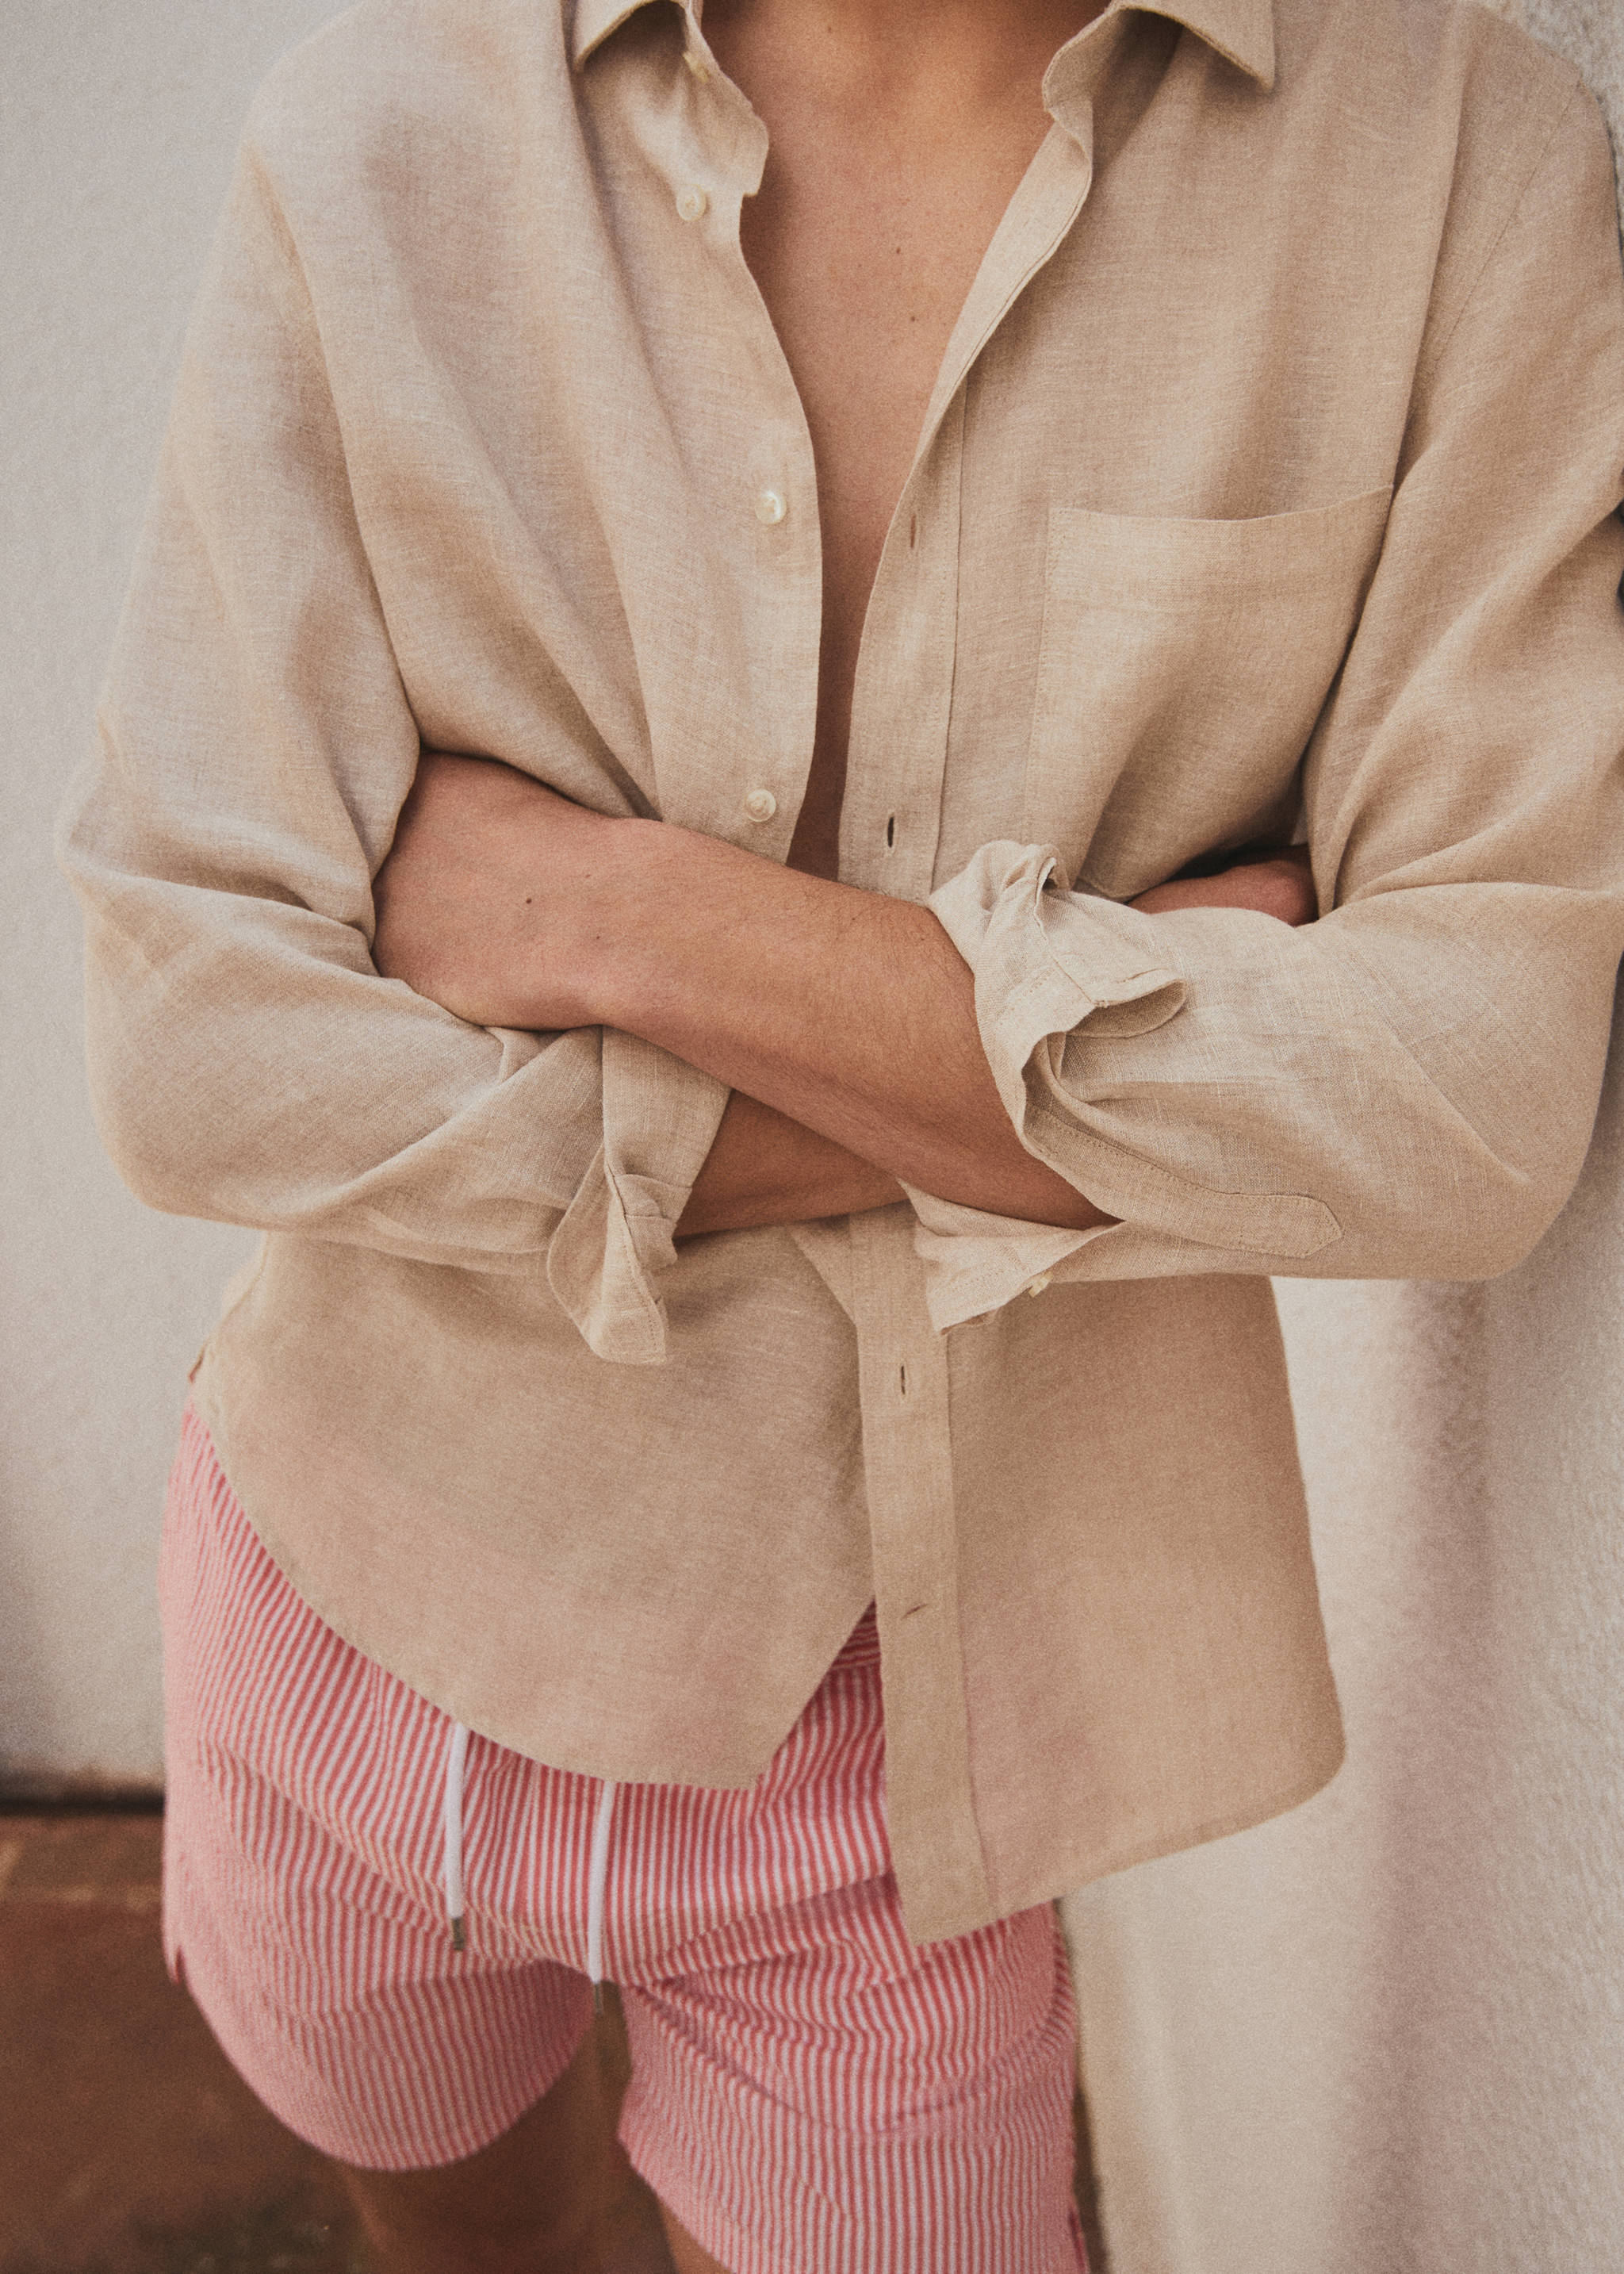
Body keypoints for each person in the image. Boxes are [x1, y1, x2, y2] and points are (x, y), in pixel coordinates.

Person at [58, 0, 1624, 2265]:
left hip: (927, 1752)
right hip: (354, 1592)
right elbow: (192, 1034)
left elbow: (1468, 1101)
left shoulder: (1459, 167)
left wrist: (621, 914)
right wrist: (1088, 1026)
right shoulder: (390, 130)